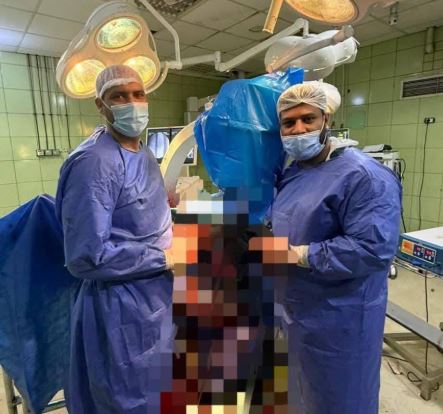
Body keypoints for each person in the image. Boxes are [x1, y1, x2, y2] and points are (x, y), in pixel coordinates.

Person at [265, 81, 402, 413]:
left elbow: (373, 248)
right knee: (305, 393)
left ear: (326, 120)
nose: (298, 129)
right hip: (299, 309)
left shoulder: (364, 176)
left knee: (341, 399)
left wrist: (301, 254)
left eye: (308, 119)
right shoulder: (296, 172)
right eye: (289, 123)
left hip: (341, 318)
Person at [55, 65, 174, 414]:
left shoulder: (142, 151)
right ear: (100, 105)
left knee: (159, 393)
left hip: (154, 297)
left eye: (138, 94)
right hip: (121, 307)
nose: (132, 103)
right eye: (119, 96)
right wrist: (163, 258)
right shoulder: (94, 161)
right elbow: (85, 257)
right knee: (128, 400)